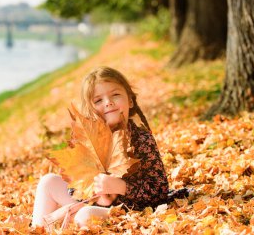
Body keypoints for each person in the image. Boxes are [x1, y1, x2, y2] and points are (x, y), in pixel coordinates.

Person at [31, 66, 170, 227]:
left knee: (86, 215)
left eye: (115, 95)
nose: (108, 102)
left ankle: (61, 220)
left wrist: (122, 187)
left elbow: (160, 191)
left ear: (130, 100)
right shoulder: (87, 142)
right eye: (98, 100)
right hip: (90, 203)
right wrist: (88, 197)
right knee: (48, 182)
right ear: (90, 110)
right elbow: (75, 185)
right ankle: (39, 227)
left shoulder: (142, 140)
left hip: (128, 210)